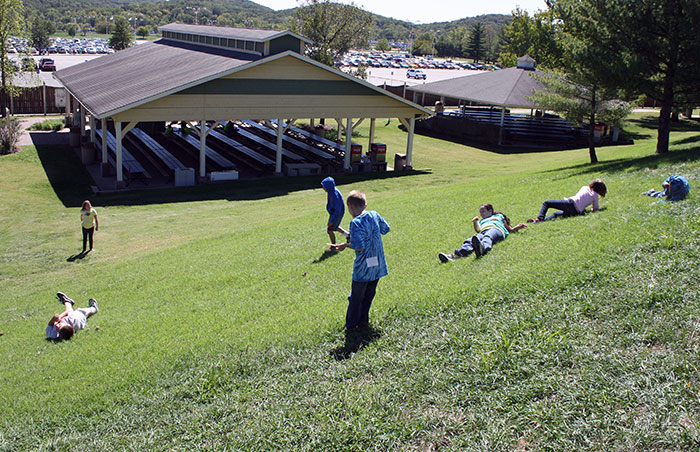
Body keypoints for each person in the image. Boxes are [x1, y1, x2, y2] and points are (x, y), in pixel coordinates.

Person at [334, 190, 390, 331]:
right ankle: (363, 321)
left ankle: (351, 327)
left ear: (350, 206)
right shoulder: (374, 215)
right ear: (365, 204)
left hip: (363, 268)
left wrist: (345, 245)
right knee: (369, 295)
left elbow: (359, 247)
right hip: (377, 265)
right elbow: (385, 229)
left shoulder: (356, 223)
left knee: (356, 299)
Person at [439, 203, 527, 262]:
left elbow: (509, 229)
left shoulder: (498, 216)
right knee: (469, 241)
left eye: (483, 211)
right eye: (480, 212)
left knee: (488, 237)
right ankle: (455, 256)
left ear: (490, 211)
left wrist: (517, 227)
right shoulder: (482, 221)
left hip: (496, 230)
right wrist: (475, 222)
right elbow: (478, 230)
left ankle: (483, 248)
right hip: (483, 231)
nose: (481, 214)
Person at [528, 179, 607, 223]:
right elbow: (595, 209)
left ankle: (539, 218)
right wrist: (589, 210)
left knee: (546, 203)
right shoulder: (595, 196)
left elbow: (579, 198)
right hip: (576, 212)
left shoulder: (584, 187)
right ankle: (541, 222)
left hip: (571, 203)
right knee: (555, 214)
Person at [321, 177, 349, 246]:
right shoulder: (331, 191)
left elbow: (337, 209)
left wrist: (332, 220)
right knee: (335, 227)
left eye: (324, 186)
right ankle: (348, 235)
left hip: (337, 214)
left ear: (328, 186)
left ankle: (334, 245)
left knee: (330, 230)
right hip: (335, 213)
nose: (323, 188)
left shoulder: (334, 195)